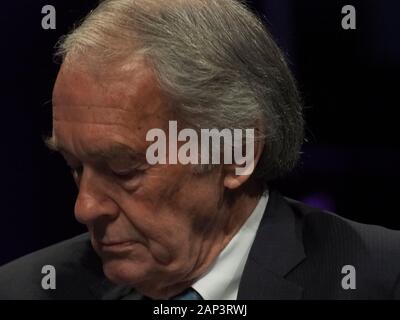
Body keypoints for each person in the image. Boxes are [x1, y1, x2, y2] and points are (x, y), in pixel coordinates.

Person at [0, 0, 399, 300]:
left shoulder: (380, 279)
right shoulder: (26, 290)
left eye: (124, 170)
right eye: (75, 167)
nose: (84, 208)